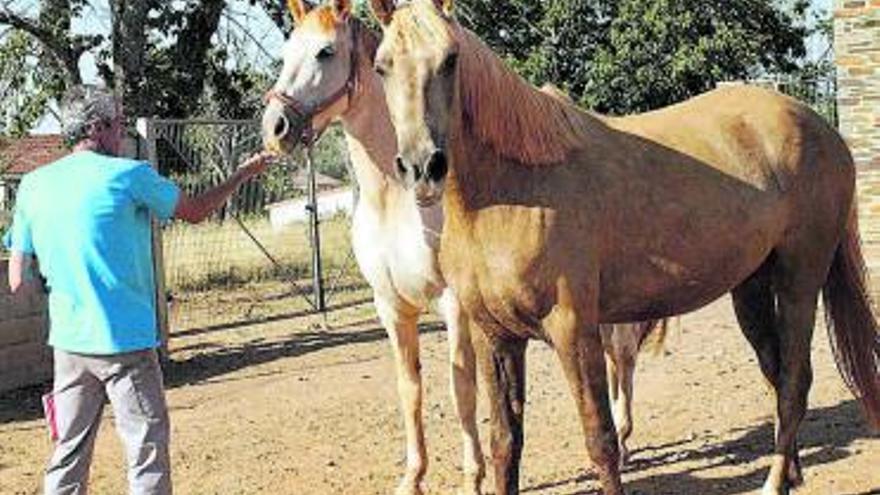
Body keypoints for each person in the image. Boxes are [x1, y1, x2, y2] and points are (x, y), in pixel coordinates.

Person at [3, 84, 276, 495]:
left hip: (69, 346)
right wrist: (243, 173)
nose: (122, 135)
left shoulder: (34, 185)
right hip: (126, 343)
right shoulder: (129, 175)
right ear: (98, 128)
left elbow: (18, 278)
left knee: (68, 452)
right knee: (146, 451)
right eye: (118, 125)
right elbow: (198, 211)